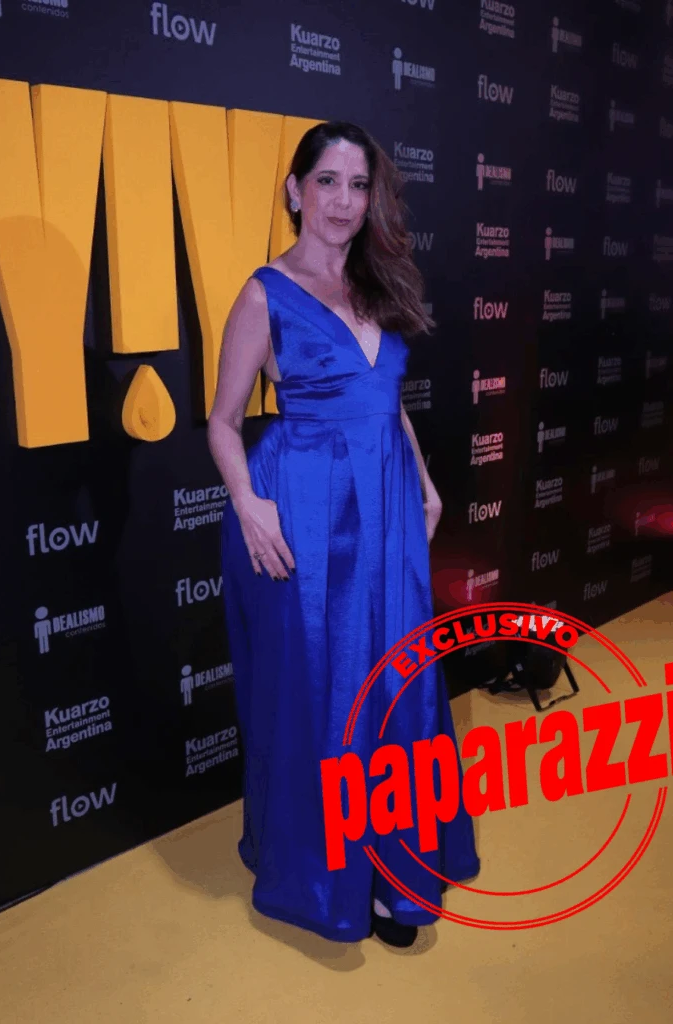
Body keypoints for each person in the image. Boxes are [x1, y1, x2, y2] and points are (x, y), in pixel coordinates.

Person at [207, 121, 480, 948]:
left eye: (358, 185)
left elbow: (384, 400)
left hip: (387, 506)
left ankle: (396, 871)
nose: (342, 201)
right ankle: (330, 872)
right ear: (294, 191)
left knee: (397, 683)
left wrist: (424, 481)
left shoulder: (378, 282)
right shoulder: (264, 293)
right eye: (326, 182)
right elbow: (221, 421)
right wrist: (248, 505)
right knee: (321, 687)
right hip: (303, 508)